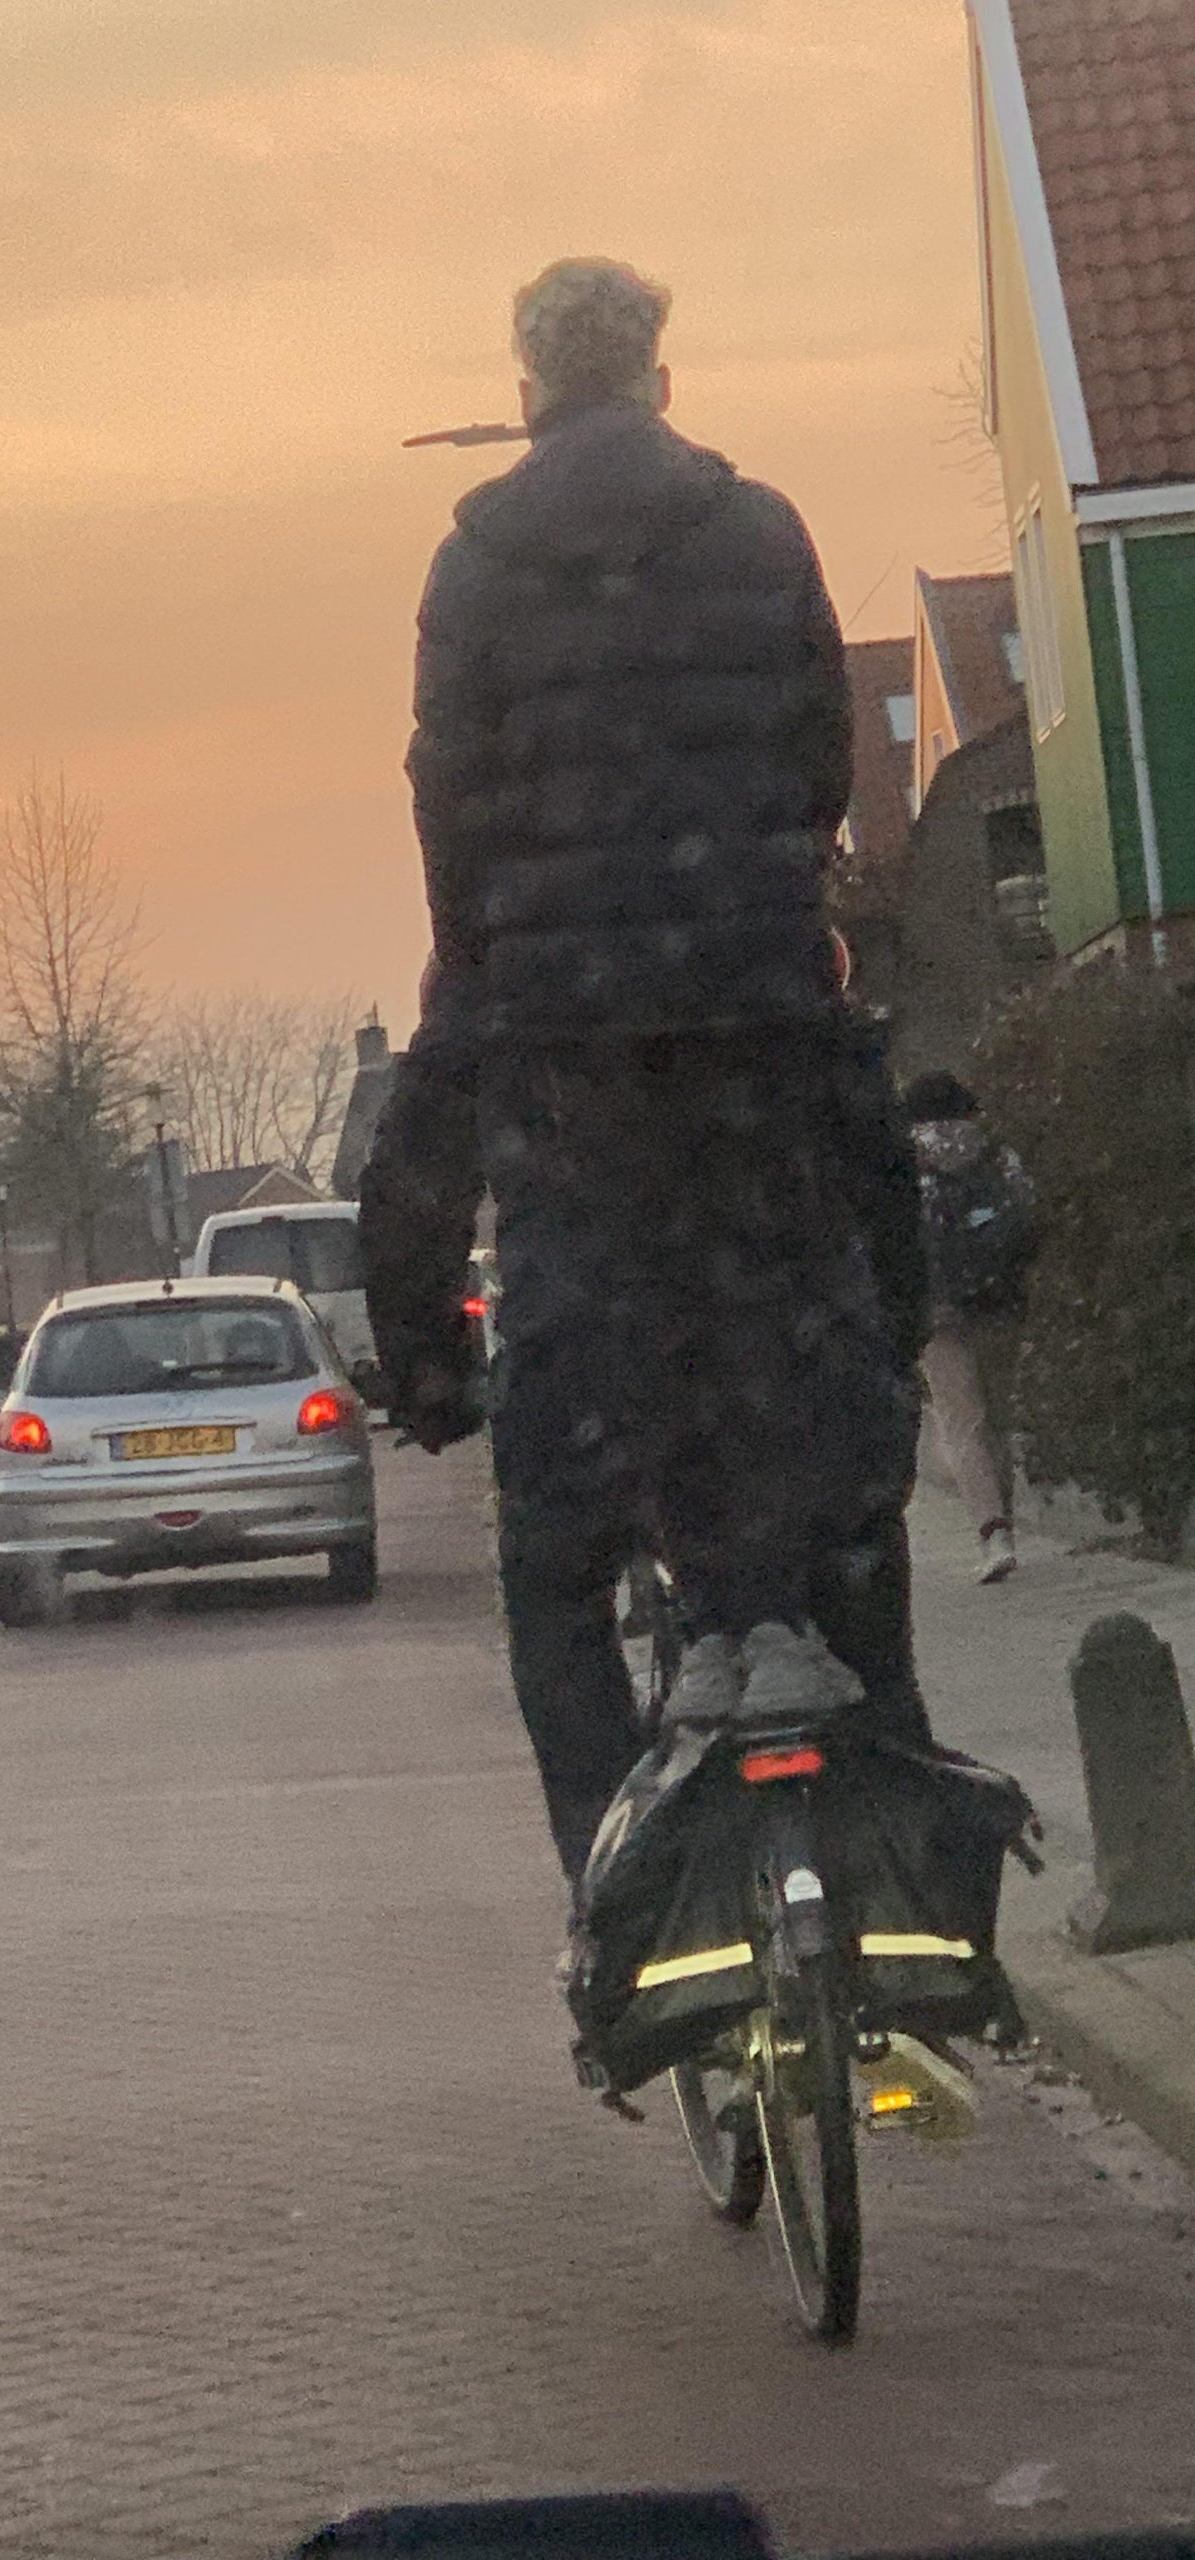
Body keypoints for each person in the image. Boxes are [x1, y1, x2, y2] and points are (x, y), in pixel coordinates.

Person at [402, 256, 913, 1884]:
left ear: (529, 389)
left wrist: (489, 958)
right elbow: (822, 750)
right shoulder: (760, 532)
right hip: (760, 1043)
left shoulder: (473, 567)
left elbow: (447, 797)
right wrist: (769, 891)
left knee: (557, 1567)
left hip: (573, 1085)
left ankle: (625, 1906)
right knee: (843, 1475)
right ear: (662, 379)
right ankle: (909, 1889)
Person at [360, 965, 929, 1884]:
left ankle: (616, 1890)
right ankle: (917, 1892)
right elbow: (886, 1176)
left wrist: (430, 1379)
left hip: (591, 1375)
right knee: (858, 1580)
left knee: (557, 1594)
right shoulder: (773, 951)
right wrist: (889, 1347)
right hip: (798, 1350)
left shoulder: (495, 978)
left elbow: (408, 1201)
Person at [903, 1070, 1035, 1586]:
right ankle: (1007, 1519)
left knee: (963, 1423)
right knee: (997, 1417)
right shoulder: (996, 1155)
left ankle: (993, 1532)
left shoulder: (903, 1166)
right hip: (999, 1301)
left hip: (936, 1311)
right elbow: (1027, 1217)